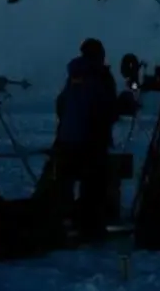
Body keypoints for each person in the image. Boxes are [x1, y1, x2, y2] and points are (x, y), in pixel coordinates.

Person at [49, 38, 119, 241]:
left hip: (67, 138)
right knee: (93, 183)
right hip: (91, 140)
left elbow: (61, 103)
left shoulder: (73, 75)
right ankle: (89, 226)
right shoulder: (100, 76)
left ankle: (62, 222)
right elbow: (107, 107)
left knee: (65, 183)